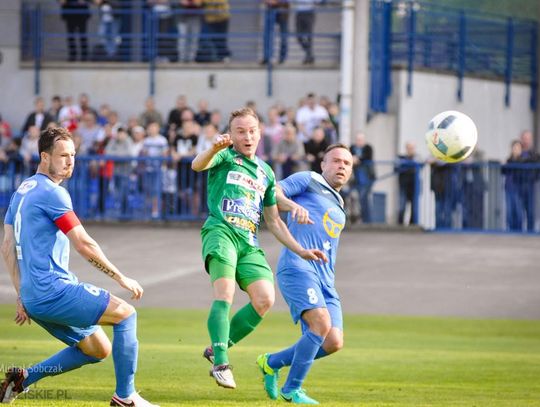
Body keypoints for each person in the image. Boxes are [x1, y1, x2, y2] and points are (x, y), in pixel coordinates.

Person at [0, 127, 157, 406]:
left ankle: (23, 379)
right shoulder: (53, 194)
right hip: (54, 291)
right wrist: (121, 277)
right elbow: (83, 244)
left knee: (97, 349)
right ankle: (126, 397)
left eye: (73, 155)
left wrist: (22, 295)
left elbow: (6, 247)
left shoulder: (21, 192)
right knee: (126, 315)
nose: (70, 161)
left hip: (35, 299)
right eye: (63, 155)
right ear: (44, 157)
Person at [191, 107, 327, 389]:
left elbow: (274, 220)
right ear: (232, 135)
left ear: (259, 133)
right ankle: (221, 362)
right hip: (221, 232)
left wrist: (301, 250)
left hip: (249, 242)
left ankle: (217, 347)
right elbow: (197, 165)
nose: (247, 136)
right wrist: (212, 148)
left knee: (265, 299)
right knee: (225, 293)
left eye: (252, 131)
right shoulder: (225, 155)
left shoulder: (265, 171)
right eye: (240, 131)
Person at [256, 143, 353, 404]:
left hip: (326, 279)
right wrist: (292, 206)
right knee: (319, 324)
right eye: (335, 161)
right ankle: (292, 389)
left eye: (346, 163)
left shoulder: (340, 202)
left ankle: (271, 362)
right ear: (323, 164)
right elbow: (272, 192)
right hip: (298, 267)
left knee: (333, 341)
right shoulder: (309, 179)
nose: (341, 166)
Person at [350, 131, 375, 223]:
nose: (359, 142)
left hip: (367, 178)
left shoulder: (368, 148)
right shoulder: (352, 148)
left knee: (364, 198)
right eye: (357, 140)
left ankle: (367, 220)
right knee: (356, 199)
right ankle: (357, 219)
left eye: (361, 140)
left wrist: (358, 159)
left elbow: (368, 157)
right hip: (356, 179)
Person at [396, 141, 419, 225]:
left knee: (414, 207)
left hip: (414, 186)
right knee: (402, 206)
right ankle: (399, 225)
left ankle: (412, 225)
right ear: (406, 149)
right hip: (403, 186)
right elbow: (396, 168)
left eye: (412, 148)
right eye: (409, 148)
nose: (411, 150)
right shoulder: (401, 158)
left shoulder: (417, 158)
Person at [261, 0, 289, 65]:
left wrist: (276, 2)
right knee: (267, 35)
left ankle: (282, 58)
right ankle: (267, 57)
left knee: (283, 36)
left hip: (283, 8)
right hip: (270, 8)